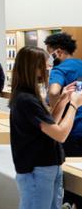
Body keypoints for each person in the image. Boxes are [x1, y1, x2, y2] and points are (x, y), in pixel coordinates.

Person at [10, 46, 81, 209]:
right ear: (32, 68)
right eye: (44, 65)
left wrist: (63, 100)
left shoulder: (28, 96)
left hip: (47, 166)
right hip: (37, 168)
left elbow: (49, 124)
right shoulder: (26, 99)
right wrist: (74, 105)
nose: (49, 68)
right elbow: (60, 134)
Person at [43, 32, 82, 207]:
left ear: (58, 52)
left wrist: (54, 106)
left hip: (70, 130)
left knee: (68, 177)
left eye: (49, 52)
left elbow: (53, 92)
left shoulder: (60, 70)